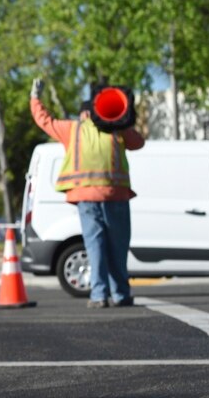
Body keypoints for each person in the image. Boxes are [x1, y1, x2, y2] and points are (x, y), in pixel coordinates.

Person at [29, 78, 144, 308]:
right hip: (115, 195)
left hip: (86, 198)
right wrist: (124, 121)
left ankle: (99, 295)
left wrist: (35, 98)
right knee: (118, 247)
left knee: (95, 245)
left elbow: (45, 121)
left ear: (83, 114)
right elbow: (138, 142)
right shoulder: (116, 129)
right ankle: (120, 294)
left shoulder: (72, 130)